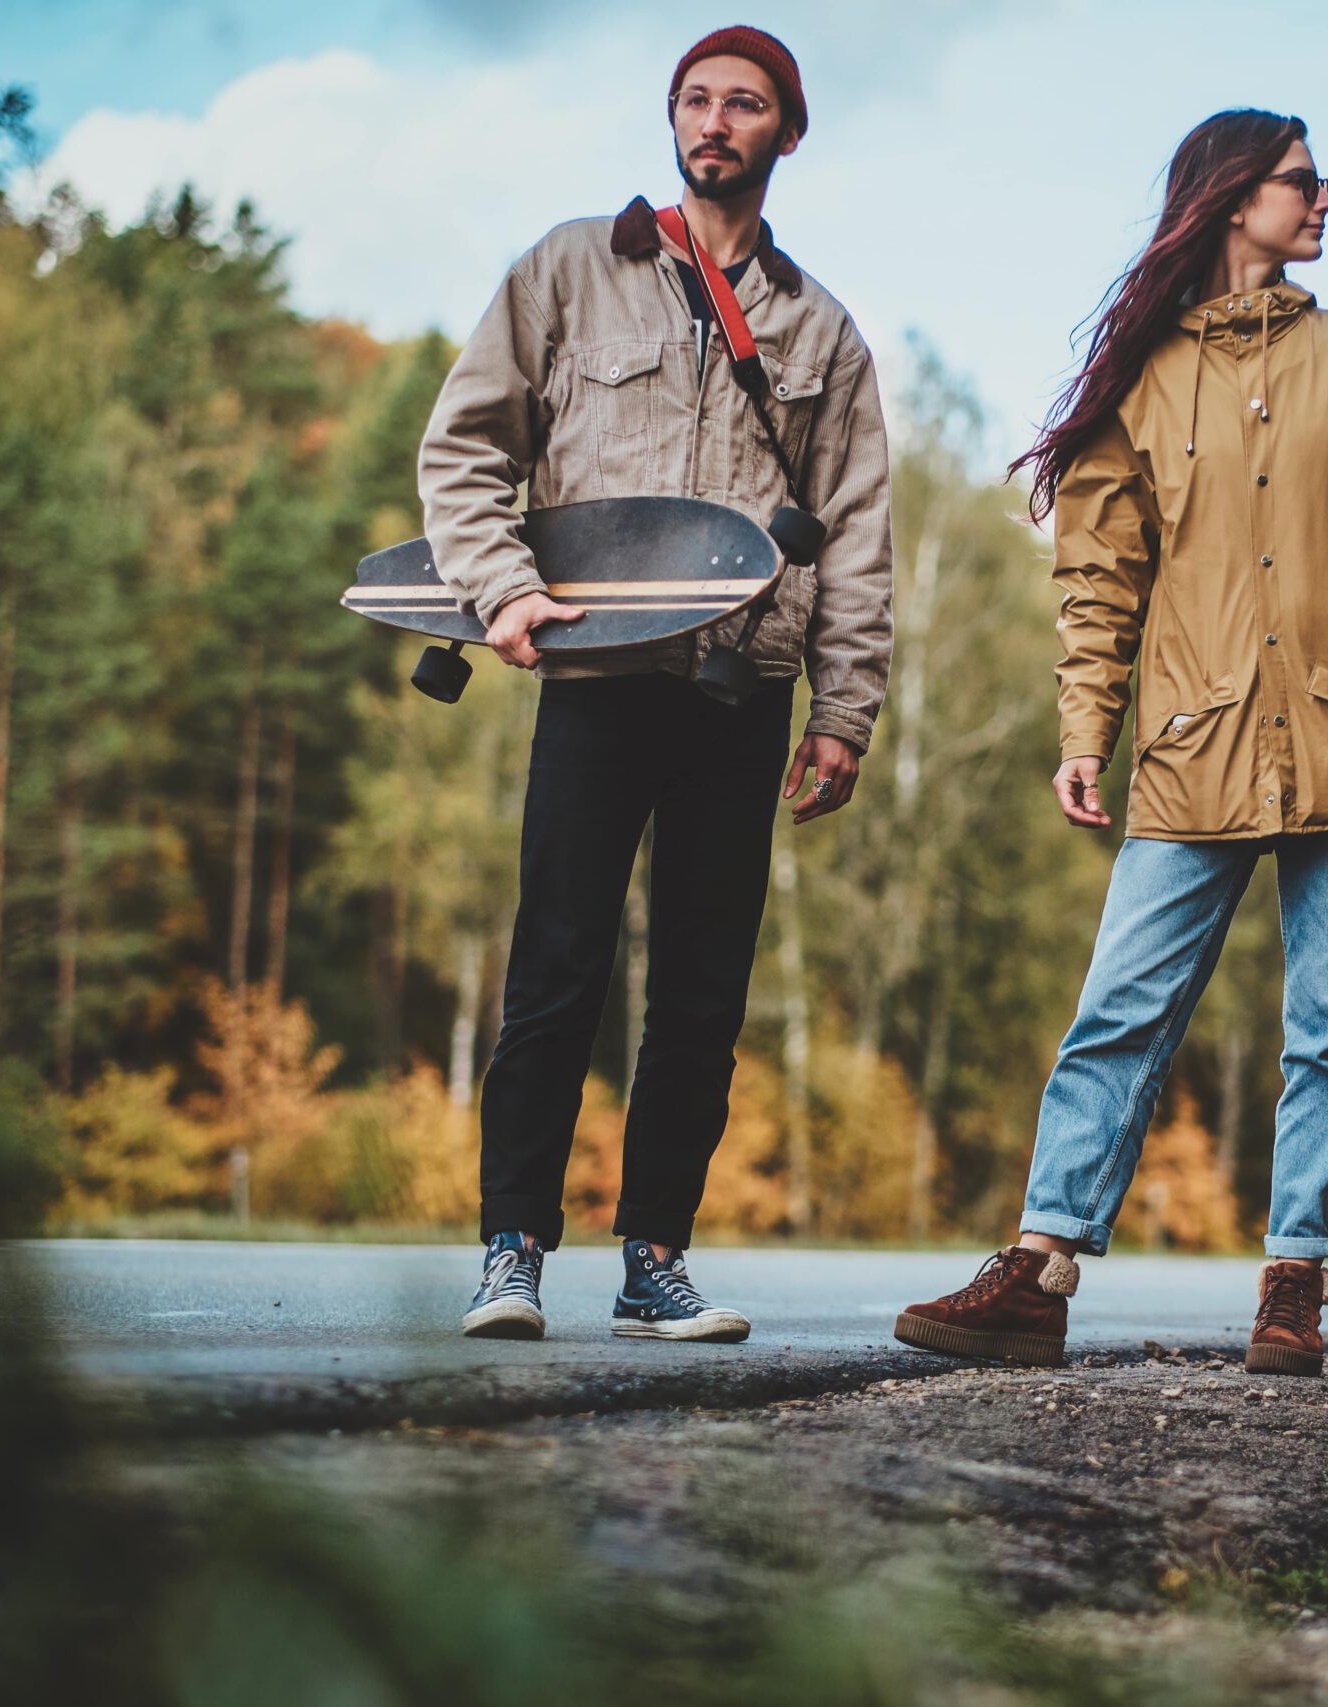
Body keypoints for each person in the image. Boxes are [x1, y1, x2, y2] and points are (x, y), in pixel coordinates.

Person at [895, 110, 1328, 1377]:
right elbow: (1098, 582)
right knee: (1117, 1015)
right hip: (1190, 752)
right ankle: (1039, 1271)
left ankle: (1294, 1286)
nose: (1325, 202)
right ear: (1228, 200)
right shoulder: (1141, 381)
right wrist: (1083, 733)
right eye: (1301, 182)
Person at [420, 26, 891, 1342]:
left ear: (785, 133)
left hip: (746, 689)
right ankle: (510, 1249)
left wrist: (847, 711)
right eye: (696, 99)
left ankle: (655, 1261)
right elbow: (463, 451)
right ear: (673, 121)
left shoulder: (823, 332)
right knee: (554, 965)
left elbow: (857, 533)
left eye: (744, 103)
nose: (716, 120)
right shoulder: (573, 269)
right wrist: (500, 586)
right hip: (598, 673)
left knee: (700, 991)